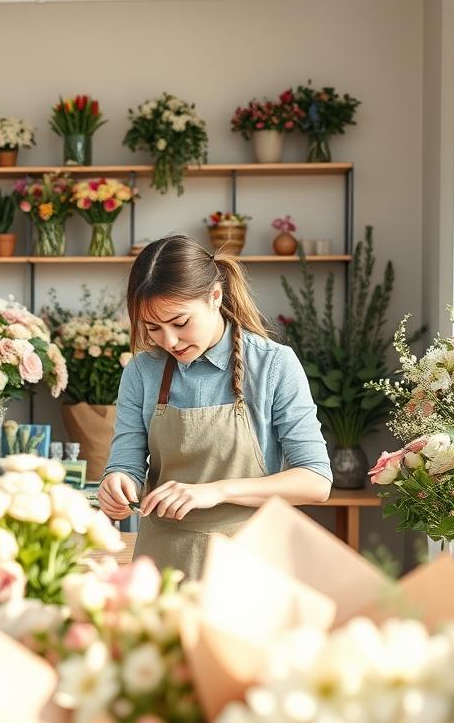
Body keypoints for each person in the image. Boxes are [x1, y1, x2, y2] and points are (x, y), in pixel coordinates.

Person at [98, 234, 332, 578]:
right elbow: (126, 464)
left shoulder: (273, 365)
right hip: (162, 567)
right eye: (153, 328)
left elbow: (315, 481)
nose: (170, 341)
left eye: (180, 323)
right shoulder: (141, 371)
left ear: (215, 297)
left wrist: (217, 491)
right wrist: (117, 483)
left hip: (248, 563)